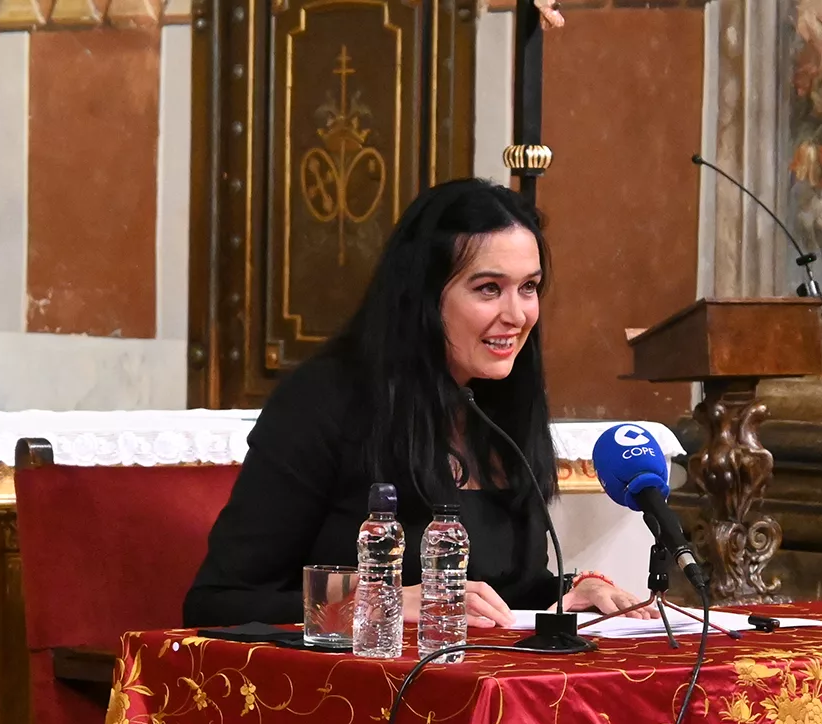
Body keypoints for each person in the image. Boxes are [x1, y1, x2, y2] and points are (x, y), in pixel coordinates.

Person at [183, 178, 646, 629]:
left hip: (475, 692)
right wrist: (379, 602)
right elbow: (220, 602)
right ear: (423, 296)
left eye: (529, 287)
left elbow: (503, 597)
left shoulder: (503, 405)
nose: (517, 314)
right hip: (348, 695)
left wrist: (570, 593)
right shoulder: (323, 402)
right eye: (489, 288)